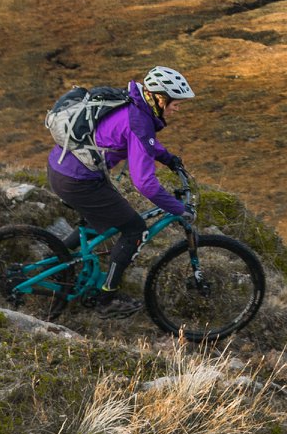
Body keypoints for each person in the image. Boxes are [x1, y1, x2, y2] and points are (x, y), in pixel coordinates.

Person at [46, 65, 194, 316]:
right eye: (175, 103)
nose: (177, 108)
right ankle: (107, 300)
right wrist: (179, 209)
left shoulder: (132, 103)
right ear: (160, 99)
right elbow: (144, 183)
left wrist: (168, 158)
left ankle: (57, 261)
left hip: (62, 167)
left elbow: (144, 143)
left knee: (100, 219)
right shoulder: (139, 121)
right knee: (135, 229)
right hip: (78, 180)